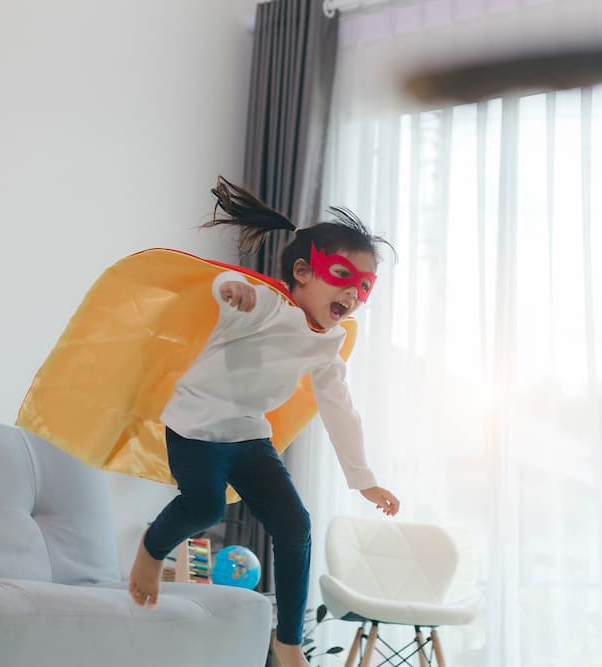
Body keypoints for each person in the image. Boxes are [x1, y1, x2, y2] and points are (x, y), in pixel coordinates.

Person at [128, 177, 400, 667]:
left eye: (364, 286)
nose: (354, 294)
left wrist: (364, 480)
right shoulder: (263, 303)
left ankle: (289, 641)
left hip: (248, 434)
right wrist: (231, 290)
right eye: (342, 275)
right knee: (205, 505)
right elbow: (221, 288)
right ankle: (151, 549)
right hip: (195, 424)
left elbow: (339, 408)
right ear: (302, 271)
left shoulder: (328, 343)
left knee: (295, 525)